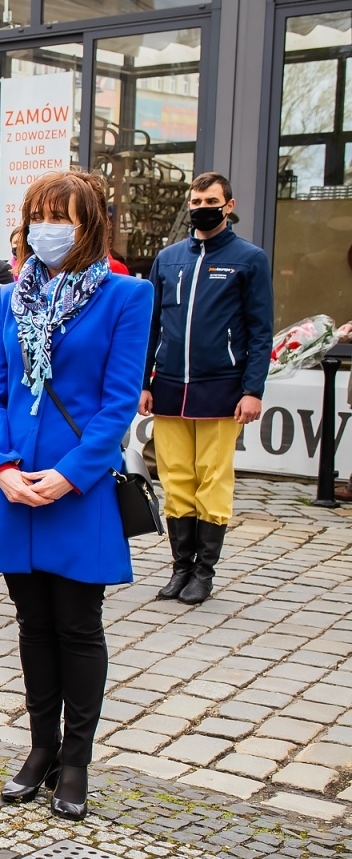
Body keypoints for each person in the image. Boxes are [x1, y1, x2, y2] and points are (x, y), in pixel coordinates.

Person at [0, 170, 153, 822]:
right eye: (38, 213)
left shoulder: (128, 297)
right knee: (31, 623)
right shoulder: (16, 296)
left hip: (79, 488)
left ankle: (76, 759)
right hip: (16, 488)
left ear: (90, 224)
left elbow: (118, 403)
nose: (47, 225)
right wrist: (3, 467)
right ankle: (41, 748)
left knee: (76, 625)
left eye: (61, 215)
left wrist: (71, 474)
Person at [139, 172, 272, 605]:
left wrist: (252, 390)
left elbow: (260, 331)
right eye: (196, 200)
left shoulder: (249, 259)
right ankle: (179, 567)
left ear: (228, 205)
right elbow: (151, 326)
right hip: (170, 388)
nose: (202, 206)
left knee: (212, 479)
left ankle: (204, 571)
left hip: (222, 389)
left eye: (211, 200)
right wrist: (143, 382)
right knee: (176, 479)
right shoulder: (169, 258)